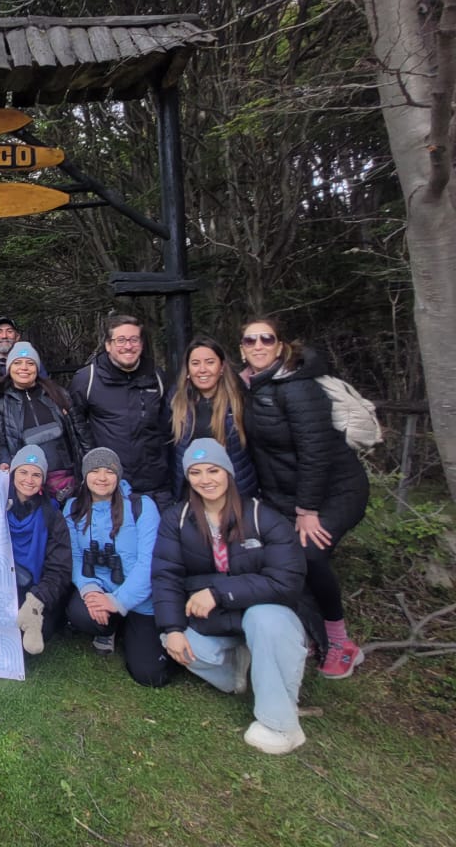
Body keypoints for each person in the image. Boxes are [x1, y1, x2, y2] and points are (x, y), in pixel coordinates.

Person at [153, 439, 310, 754]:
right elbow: (166, 575)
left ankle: (281, 724)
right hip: (213, 622)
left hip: (263, 616)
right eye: (196, 472)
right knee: (175, 641)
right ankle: (237, 674)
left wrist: (217, 591)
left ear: (228, 471)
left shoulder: (262, 516)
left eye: (213, 470)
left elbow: (286, 580)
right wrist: (171, 629)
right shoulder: (177, 518)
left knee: (264, 619)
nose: (205, 479)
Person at [238, 315, 370, 679]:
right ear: (242, 349)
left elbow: (315, 451)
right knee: (281, 557)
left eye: (266, 339)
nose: (259, 346)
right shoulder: (249, 386)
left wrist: (307, 509)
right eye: (251, 341)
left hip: (333, 490)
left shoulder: (297, 387)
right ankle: (309, 635)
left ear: (281, 346)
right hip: (284, 493)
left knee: (310, 553)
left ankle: (341, 641)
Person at [63, 448, 169, 687]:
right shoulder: (73, 507)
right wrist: (89, 589)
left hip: (140, 598)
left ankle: (131, 626)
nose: (102, 477)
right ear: (84, 475)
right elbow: (76, 556)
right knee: (80, 612)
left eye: (109, 471)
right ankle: (108, 629)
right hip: (101, 588)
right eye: (95, 470)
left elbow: (149, 563)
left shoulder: (142, 507)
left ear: (118, 475)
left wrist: (119, 601)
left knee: (150, 675)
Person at [69, 314, 174, 509]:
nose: (128, 346)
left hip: (156, 486)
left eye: (134, 340)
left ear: (141, 344)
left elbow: (167, 428)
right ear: (108, 345)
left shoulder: (157, 377)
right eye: (121, 340)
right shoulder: (87, 380)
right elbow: (76, 430)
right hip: (109, 486)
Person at [0, 340, 82, 502]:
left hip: (65, 478)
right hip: (26, 481)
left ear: (37, 368)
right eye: (18, 363)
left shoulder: (58, 394)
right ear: (9, 368)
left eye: (30, 363)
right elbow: (0, 440)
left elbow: (79, 432)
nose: (24, 368)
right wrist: (5, 463)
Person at [169, 337, 257, 500]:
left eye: (210, 362)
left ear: (222, 367)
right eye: (195, 363)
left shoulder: (239, 398)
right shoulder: (176, 399)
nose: (202, 369)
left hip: (236, 493)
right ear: (187, 369)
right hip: (191, 492)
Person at [7, 445, 72, 656]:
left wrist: (37, 599)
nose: (29, 480)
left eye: (36, 474)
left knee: (22, 647)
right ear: (13, 473)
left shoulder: (52, 515)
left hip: (37, 589)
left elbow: (59, 569)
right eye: (23, 472)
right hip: (4, 584)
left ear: (43, 479)